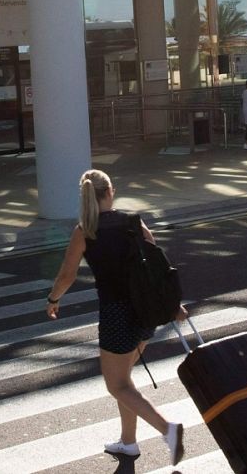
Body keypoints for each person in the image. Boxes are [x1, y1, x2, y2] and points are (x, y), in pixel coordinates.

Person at [47, 170, 187, 465]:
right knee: (125, 380)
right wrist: (173, 304)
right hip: (145, 311)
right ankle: (128, 442)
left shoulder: (85, 230)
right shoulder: (132, 223)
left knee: (117, 385)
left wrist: (53, 299)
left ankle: (168, 429)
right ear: (110, 192)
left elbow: (66, 275)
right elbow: (159, 265)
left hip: (116, 315)